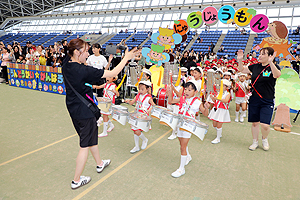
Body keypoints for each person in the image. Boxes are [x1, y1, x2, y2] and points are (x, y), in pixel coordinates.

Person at [63, 38, 138, 189]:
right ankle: (76, 180)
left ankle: (99, 163)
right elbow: (113, 72)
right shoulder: (84, 71)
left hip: (73, 108)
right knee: (84, 145)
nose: (88, 54)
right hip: (85, 111)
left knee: (91, 137)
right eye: (85, 51)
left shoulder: (66, 64)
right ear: (77, 52)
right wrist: (126, 58)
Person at [237, 47, 281, 151]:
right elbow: (242, 70)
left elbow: (277, 75)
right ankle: (255, 142)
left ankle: (264, 139)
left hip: (267, 100)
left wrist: (271, 63)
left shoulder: (273, 67)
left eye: (263, 54)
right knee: (255, 123)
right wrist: (240, 60)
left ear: (270, 56)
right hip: (254, 99)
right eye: (259, 54)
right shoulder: (255, 67)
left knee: (265, 125)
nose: (260, 56)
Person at [167, 78, 209, 178]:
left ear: (195, 92)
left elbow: (205, 114)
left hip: (189, 126)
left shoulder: (197, 102)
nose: (186, 91)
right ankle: (188, 156)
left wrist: (206, 107)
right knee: (181, 143)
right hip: (180, 124)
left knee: (182, 147)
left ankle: (181, 169)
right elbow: (171, 101)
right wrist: (170, 92)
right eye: (185, 89)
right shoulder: (182, 98)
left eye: (190, 90)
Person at [125, 81, 155, 153]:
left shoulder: (148, 98)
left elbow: (154, 106)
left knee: (137, 131)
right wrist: (128, 101)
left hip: (143, 117)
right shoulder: (138, 95)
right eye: (139, 89)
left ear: (147, 89)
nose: (140, 91)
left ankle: (145, 139)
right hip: (136, 115)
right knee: (135, 131)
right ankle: (137, 146)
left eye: (142, 89)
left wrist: (150, 109)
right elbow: (132, 102)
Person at [208, 79, 232, 144]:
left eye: (223, 86)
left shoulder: (228, 94)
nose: (221, 87)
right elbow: (214, 101)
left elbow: (226, 101)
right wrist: (212, 97)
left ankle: (218, 138)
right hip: (216, 109)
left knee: (219, 124)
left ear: (227, 87)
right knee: (214, 125)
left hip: (222, 110)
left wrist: (218, 98)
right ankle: (219, 133)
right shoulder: (218, 93)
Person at [167, 74, 184, 140]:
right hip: (170, 104)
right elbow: (168, 95)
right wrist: (168, 89)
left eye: (176, 80)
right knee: (171, 118)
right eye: (173, 79)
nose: (174, 81)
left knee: (175, 119)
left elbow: (179, 95)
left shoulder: (181, 87)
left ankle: (173, 134)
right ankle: (176, 130)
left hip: (176, 105)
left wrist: (174, 89)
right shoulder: (171, 86)